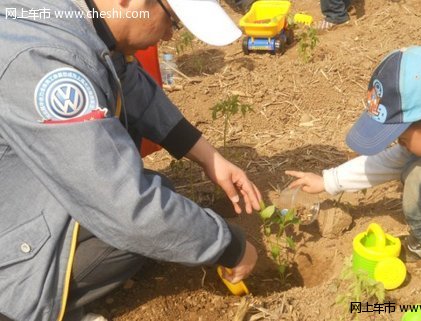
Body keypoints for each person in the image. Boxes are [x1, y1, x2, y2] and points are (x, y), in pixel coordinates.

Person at [0, 1, 262, 321]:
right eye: (173, 21)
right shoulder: (45, 62)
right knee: (133, 232)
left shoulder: (75, 18)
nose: (169, 36)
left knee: (160, 194)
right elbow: (127, 209)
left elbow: (129, 81)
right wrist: (229, 245)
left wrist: (209, 157)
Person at [286, 46, 421, 315]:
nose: (400, 145)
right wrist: (327, 181)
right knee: (417, 170)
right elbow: (385, 162)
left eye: (403, 138)